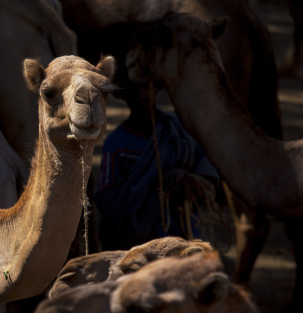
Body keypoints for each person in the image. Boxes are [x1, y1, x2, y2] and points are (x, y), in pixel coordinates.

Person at [94, 83, 219, 250]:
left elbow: (206, 176)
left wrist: (187, 182)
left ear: (156, 90)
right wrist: (153, 191)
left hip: (183, 240)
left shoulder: (179, 132)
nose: (141, 95)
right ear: (124, 95)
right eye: (134, 88)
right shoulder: (115, 143)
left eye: (146, 87)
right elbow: (110, 205)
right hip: (139, 247)